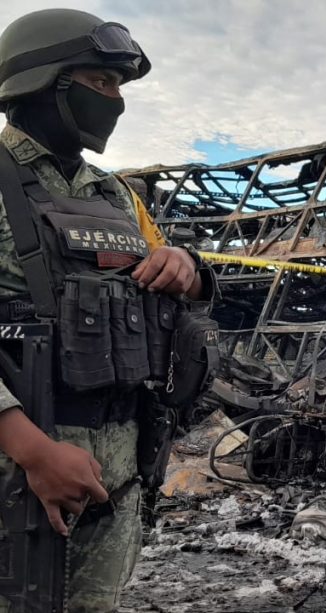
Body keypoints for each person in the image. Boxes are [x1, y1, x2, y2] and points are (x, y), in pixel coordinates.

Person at [0, 9, 214, 611]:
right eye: (101, 82)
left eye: (118, 85)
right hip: (20, 478)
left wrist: (186, 267)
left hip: (117, 479)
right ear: (45, 82)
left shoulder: (115, 194)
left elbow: (171, 283)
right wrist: (34, 452)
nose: (115, 100)